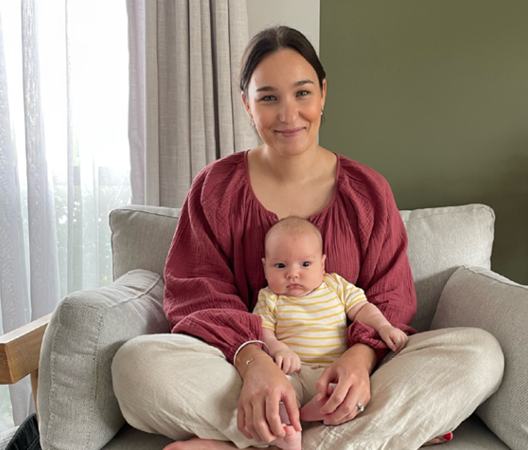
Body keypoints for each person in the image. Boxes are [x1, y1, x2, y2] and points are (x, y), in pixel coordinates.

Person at [111, 26, 504, 450]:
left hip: (354, 379)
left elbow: (390, 294)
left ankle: (270, 440)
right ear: (246, 104)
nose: (288, 114)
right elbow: (197, 292)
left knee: (480, 353)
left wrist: (360, 359)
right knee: (136, 365)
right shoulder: (215, 187)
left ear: (323, 93)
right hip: (241, 370)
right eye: (268, 98)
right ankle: (345, 438)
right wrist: (255, 363)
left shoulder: (369, 191)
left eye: (302, 93)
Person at [254, 217, 409, 449]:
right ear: (265, 267)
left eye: (305, 264)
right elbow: (263, 331)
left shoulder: (335, 285)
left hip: (335, 371)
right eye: (280, 266)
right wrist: (278, 348)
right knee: (280, 393)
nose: (293, 274)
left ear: (322, 264)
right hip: (295, 372)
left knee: (351, 392)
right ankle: (289, 432)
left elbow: (363, 308)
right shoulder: (269, 298)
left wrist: (384, 326)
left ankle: (318, 411)